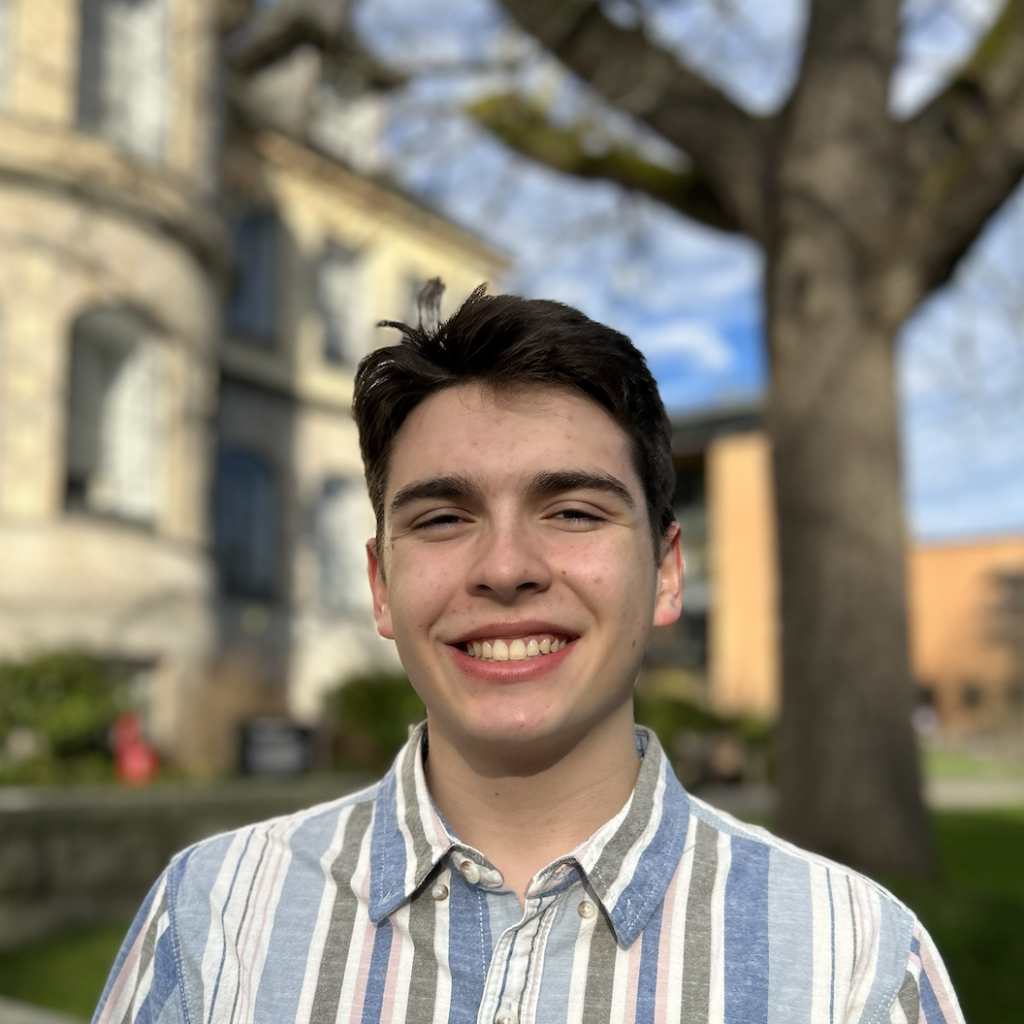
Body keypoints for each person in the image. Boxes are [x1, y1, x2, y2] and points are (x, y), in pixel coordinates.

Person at [95, 285, 964, 1024]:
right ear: (381, 585)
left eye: (575, 512)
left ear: (666, 574)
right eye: (442, 519)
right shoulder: (212, 916)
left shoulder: (853, 961)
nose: (506, 568)